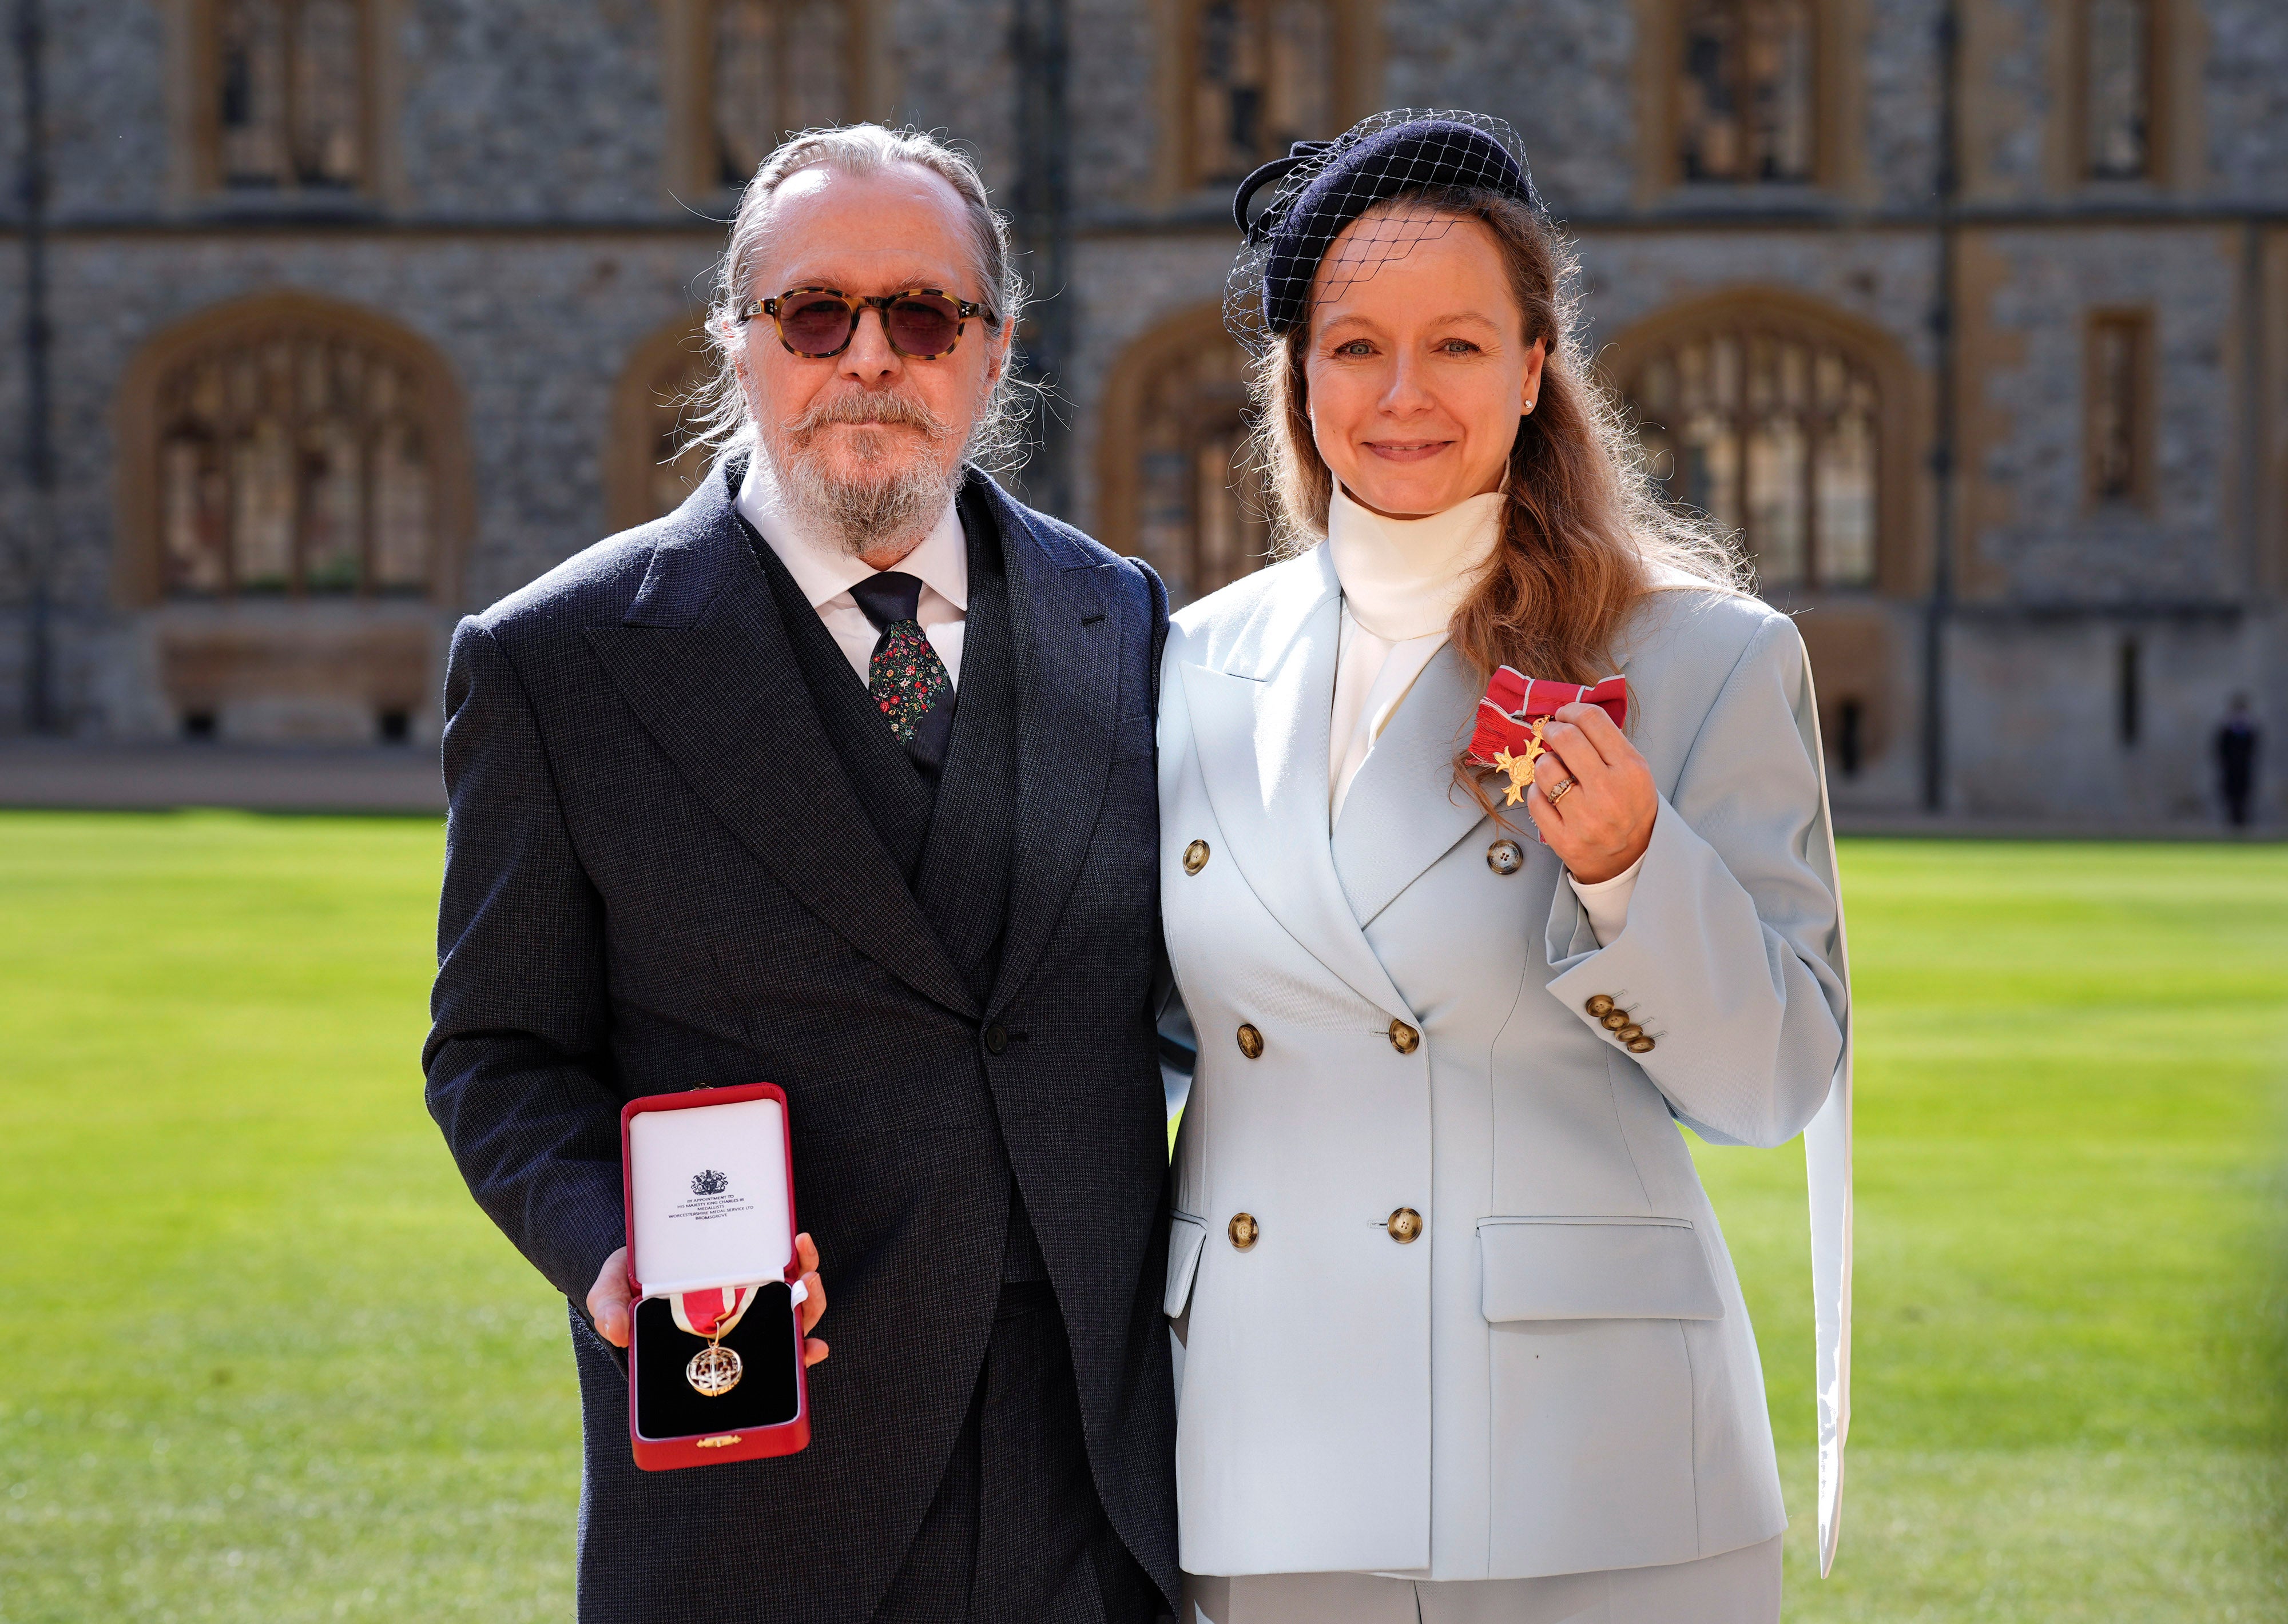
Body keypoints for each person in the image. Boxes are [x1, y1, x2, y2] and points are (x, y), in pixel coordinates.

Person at [424, 125, 1176, 1623]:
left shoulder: (1125, 620)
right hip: (761, 1477)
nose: (869, 356)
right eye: (816, 312)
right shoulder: (554, 662)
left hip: (1091, 1482)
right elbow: (499, 1059)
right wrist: (612, 1249)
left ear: (994, 350)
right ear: (741, 342)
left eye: (924, 314)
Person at [1155, 113, 1854, 1623]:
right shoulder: (1186, 666)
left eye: (1458, 346)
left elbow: (1778, 1079)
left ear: (1534, 371)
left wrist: (1633, 875)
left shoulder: (1706, 660)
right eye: (1353, 348)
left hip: (1591, 1461)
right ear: (1298, 376)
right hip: (1268, 1447)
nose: (1402, 396)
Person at [2216, 694, 2259, 828]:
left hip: (2244, 768)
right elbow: (2220, 749)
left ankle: (2242, 822)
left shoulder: (2249, 729)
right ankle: (2233, 821)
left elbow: (2253, 749)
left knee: (2244, 795)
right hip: (2230, 768)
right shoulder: (2227, 729)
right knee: (2230, 796)